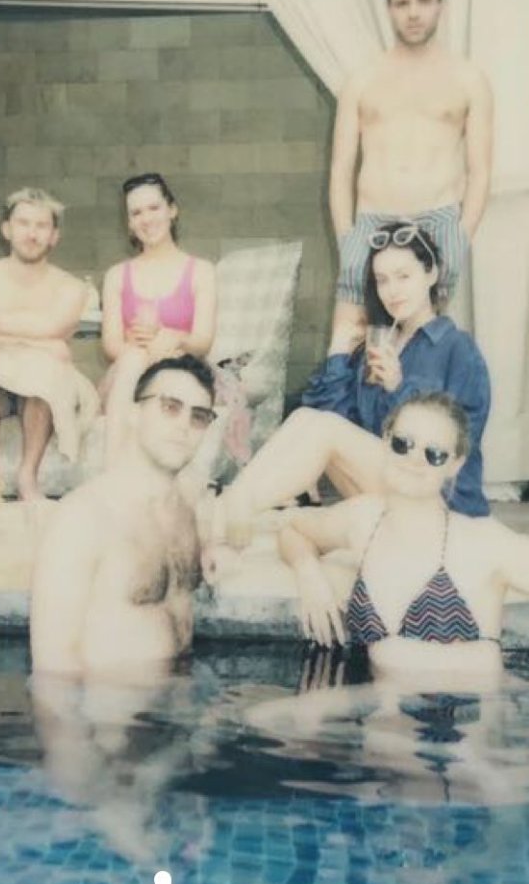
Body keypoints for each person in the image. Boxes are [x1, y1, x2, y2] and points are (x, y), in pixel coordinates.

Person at [220, 222, 491, 546]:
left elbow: (453, 446)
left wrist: (398, 388)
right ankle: (232, 506)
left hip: (441, 501)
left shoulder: (458, 348)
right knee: (307, 418)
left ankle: (224, 513)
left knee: (324, 429)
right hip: (387, 491)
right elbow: (331, 424)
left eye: (403, 276)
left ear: (431, 274)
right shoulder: (378, 346)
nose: (392, 290)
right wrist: (338, 354)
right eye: (382, 280)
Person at [276, 391, 529, 678]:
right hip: (370, 702)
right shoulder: (364, 520)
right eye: (403, 444)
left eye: (434, 454)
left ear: (455, 464)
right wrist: (309, 573)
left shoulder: (484, 544)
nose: (414, 460)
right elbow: (292, 529)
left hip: (468, 702)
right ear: (386, 441)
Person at [329, 0, 493, 342]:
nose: (414, 13)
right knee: (350, 336)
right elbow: (340, 170)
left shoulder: (468, 79)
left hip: (437, 222)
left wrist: (460, 237)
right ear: (389, 7)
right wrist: (347, 239)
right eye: (402, 3)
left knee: (420, 344)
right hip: (371, 221)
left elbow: (480, 172)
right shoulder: (362, 80)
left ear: (440, 4)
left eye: (424, 1)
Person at [30, 355, 216, 677]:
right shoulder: (82, 518)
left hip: (181, 696)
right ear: (134, 413)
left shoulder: (185, 508)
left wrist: (218, 546)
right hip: (111, 703)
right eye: (170, 407)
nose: (184, 425)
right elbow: (53, 669)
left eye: (198, 416)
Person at [0, 187, 96, 501]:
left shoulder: (71, 287)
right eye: (23, 223)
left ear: (54, 236)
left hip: (43, 388)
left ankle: (28, 476)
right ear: (6, 229)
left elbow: (52, 327)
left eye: (41, 226)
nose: (32, 233)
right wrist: (39, 340)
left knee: (45, 368)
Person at [100, 173, 217, 464]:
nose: (146, 219)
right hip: (130, 372)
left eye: (154, 208)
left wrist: (173, 337)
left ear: (172, 210)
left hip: (181, 368)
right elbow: (111, 345)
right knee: (132, 358)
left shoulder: (201, 271)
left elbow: (203, 341)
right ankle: (114, 469)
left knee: (147, 360)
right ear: (129, 222)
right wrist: (143, 351)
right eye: (136, 213)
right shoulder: (116, 275)